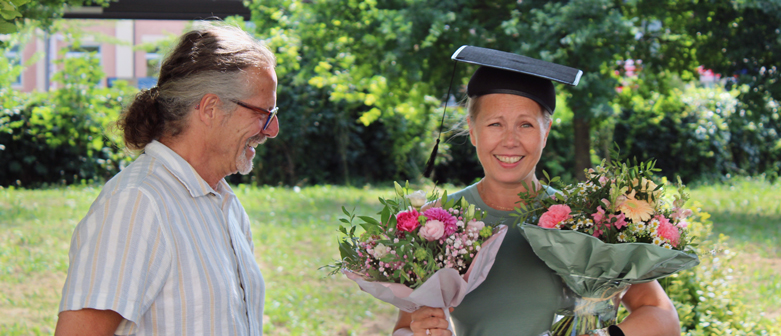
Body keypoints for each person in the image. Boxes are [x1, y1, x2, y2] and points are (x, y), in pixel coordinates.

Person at [393, 46, 680, 336]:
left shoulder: (588, 221)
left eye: (526, 125)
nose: (510, 141)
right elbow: (404, 328)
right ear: (473, 130)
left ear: (546, 131)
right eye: (495, 124)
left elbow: (663, 316)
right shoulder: (436, 226)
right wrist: (420, 330)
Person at [54, 24, 278, 336]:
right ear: (210, 108)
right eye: (263, 113)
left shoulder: (225, 204)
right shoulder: (137, 203)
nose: (272, 129)